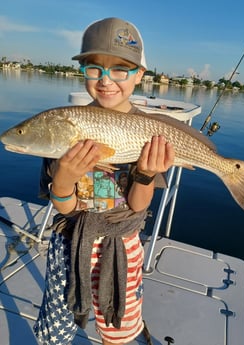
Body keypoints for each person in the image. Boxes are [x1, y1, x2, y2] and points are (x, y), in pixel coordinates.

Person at [33, 17, 175, 345]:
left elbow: (139, 205)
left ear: (140, 75)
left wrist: (145, 174)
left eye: (121, 69)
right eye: (95, 67)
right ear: (83, 70)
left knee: (119, 334)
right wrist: (64, 179)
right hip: (70, 243)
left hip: (121, 246)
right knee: (56, 332)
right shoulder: (64, 126)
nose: (106, 80)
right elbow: (66, 208)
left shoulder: (152, 133)